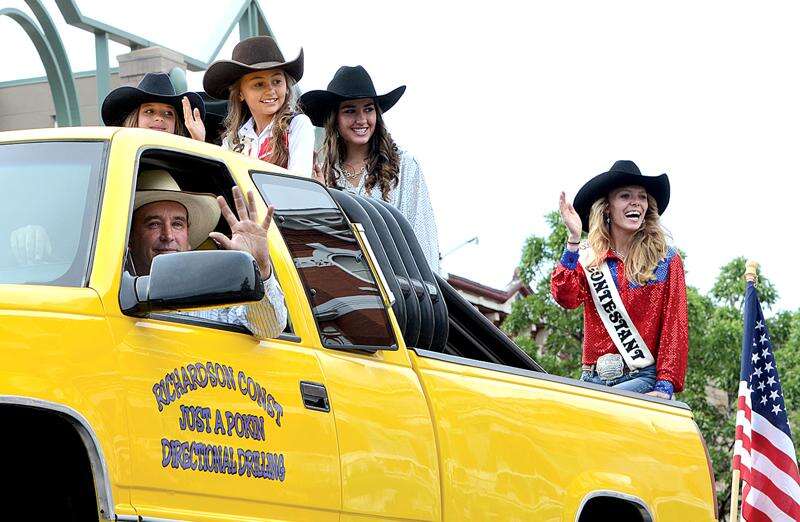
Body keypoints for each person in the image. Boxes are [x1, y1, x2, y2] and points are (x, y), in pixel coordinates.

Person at [551, 160, 688, 399]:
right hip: (592, 379)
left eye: (642, 197)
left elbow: (674, 326)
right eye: (625, 196)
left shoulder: (666, 259)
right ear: (607, 208)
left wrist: (664, 386)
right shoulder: (588, 257)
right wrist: (573, 239)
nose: (636, 202)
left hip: (642, 380)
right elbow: (565, 297)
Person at [299, 65, 441, 273]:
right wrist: (322, 199)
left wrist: (429, 297)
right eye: (350, 110)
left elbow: (422, 237)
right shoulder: (322, 174)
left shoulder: (404, 165)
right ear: (334, 118)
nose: (361, 119)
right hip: (346, 293)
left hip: (401, 289)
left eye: (368, 109)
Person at [129, 169, 287, 339]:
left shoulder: (210, 301)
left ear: (189, 240)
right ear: (130, 238)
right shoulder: (107, 296)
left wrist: (260, 268)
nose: (168, 235)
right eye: (153, 224)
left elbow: (269, 329)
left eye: (177, 224)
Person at [203, 36, 314, 176]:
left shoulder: (297, 125)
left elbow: (299, 183)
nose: (270, 90)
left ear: (286, 86)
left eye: (277, 81)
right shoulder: (233, 140)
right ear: (240, 94)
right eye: (259, 84)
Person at [101, 72, 207, 141]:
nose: (159, 118)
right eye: (149, 111)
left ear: (177, 124)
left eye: (168, 113)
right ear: (134, 119)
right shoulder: (117, 154)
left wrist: (199, 143)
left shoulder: (186, 160)